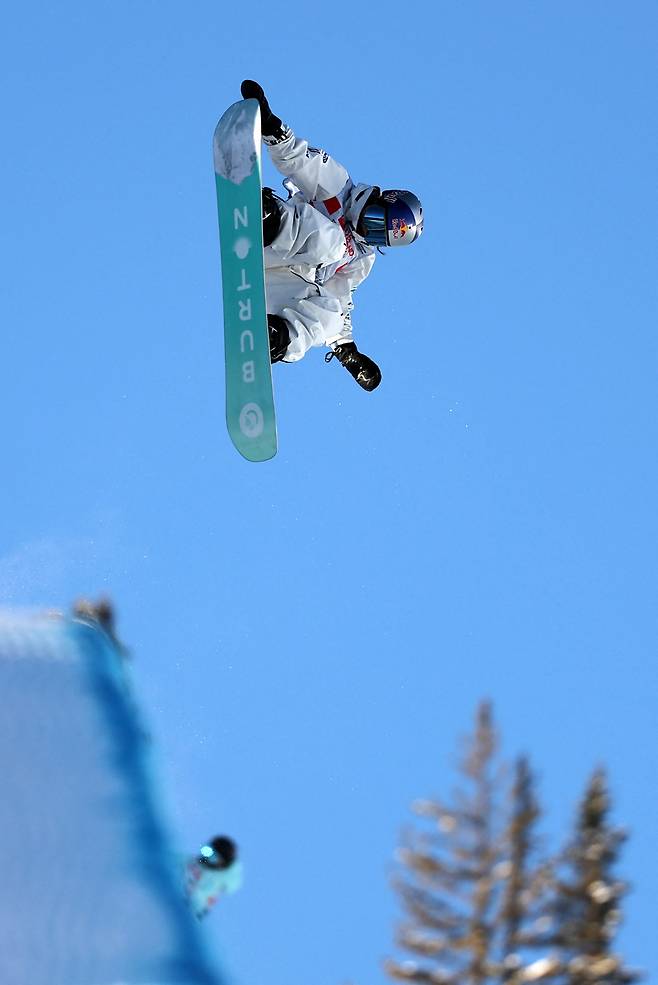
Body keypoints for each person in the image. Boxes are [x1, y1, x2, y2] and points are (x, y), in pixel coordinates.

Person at [240, 80, 424, 391]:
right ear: (379, 199)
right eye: (377, 219)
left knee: (330, 314)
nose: (369, 231)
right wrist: (271, 126)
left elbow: (341, 302)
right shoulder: (338, 187)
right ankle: (266, 217)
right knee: (335, 243)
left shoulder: (361, 261)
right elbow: (299, 160)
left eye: (380, 235)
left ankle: (275, 337)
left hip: (274, 286)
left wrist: (348, 352)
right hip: (268, 244)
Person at [183, 835, 243, 919]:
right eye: (207, 851)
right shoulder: (196, 862)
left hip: (191, 911)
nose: (208, 858)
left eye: (213, 857)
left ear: (222, 864)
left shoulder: (218, 880)